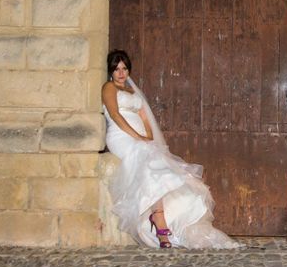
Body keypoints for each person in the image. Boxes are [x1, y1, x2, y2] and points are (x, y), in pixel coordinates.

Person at [102, 49, 241, 249]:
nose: (121, 73)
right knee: (147, 158)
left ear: (129, 70)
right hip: (121, 137)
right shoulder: (109, 88)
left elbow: (144, 118)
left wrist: (148, 136)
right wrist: (138, 137)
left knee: (156, 163)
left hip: (139, 138)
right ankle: (159, 221)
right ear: (111, 71)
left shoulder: (133, 92)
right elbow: (115, 115)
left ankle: (161, 221)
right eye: (116, 69)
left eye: (124, 68)